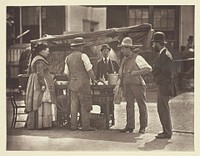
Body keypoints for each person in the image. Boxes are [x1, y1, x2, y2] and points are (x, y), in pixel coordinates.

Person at [116, 37, 152, 134]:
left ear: (128, 48)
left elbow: (149, 69)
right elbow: (120, 74)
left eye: (123, 48)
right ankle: (130, 126)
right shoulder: (124, 60)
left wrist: (135, 73)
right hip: (127, 85)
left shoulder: (138, 58)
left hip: (137, 84)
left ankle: (143, 127)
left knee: (141, 105)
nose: (121, 50)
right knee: (129, 106)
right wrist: (122, 64)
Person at [64, 37, 97, 131]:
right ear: (80, 46)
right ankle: (85, 126)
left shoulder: (68, 58)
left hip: (72, 84)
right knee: (85, 103)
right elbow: (89, 70)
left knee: (73, 105)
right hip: (83, 84)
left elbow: (66, 73)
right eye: (82, 45)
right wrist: (94, 79)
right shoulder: (83, 56)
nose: (83, 47)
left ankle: (73, 126)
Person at [25, 43, 57, 130]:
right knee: (41, 101)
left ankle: (41, 123)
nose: (48, 52)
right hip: (39, 82)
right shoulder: (39, 60)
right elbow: (40, 73)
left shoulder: (38, 59)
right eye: (47, 50)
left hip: (37, 81)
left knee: (39, 101)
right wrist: (42, 85)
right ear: (42, 51)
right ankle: (42, 124)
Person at [151, 32, 173, 139]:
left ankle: (167, 132)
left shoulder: (166, 55)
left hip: (164, 86)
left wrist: (157, 79)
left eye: (154, 43)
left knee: (163, 108)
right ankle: (166, 130)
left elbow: (166, 73)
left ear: (158, 43)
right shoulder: (162, 54)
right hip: (162, 85)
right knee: (162, 108)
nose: (152, 46)